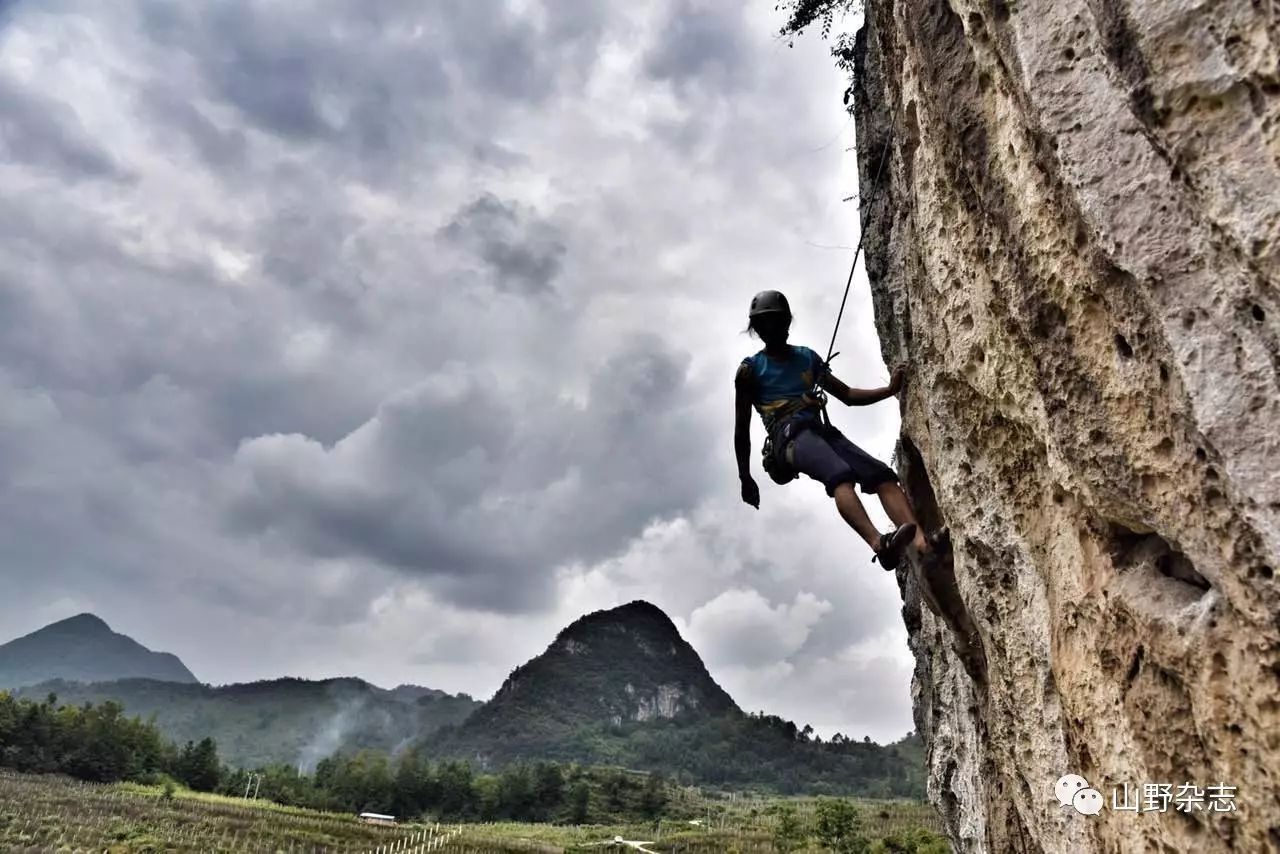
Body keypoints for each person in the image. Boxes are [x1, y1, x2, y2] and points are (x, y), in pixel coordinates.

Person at [734, 289, 932, 570]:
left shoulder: (807, 358)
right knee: (839, 475)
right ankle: (879, 544)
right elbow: (741, 429)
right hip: (788, 437)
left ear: (786, 323)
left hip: (819, 430)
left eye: (775, 322)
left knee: (882, 476)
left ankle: (923, 545)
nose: (772, 329)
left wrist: (890, 390)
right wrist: (745, 476)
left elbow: (848, 395)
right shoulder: (750, 371)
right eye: (765, 324)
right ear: (758, 329)